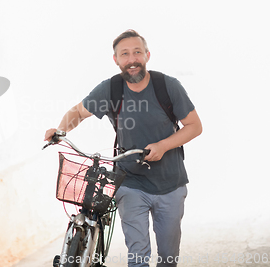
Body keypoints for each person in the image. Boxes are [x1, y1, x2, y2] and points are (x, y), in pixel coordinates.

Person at [44, 29, 202, 267]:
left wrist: (163, 145)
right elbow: (77, 112)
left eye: (137, 52)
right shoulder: (111, 89)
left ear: (147, 55)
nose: (132, 59)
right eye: (125, 54)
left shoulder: (167, 86)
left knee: (169, 258)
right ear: (116, 60)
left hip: (170, 183)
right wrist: (61, 130)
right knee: (138, 255)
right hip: (130, 182)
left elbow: (194, 126)